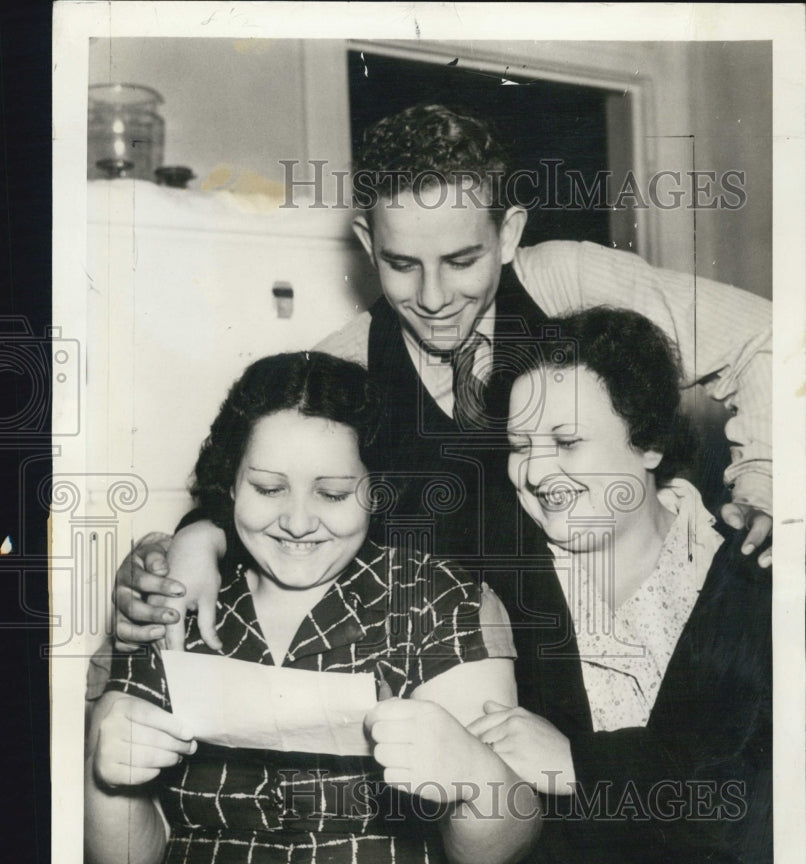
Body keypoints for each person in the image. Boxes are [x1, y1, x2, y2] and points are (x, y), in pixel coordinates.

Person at [106, 102, 772, 660]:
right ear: (368, 243)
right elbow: (249, 485)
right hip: (459, 677)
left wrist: (764, 474)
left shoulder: (566, 281)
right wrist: (193, 541)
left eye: (460, 261)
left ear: (508, 233)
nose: (431, 297)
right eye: (401, 263)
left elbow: (767, 337)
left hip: (627, 651)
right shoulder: (348, 360)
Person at [83, 351, 540, 864]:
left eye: (332, 493)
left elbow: (490, 859)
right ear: (231, 484)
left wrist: (475, 778)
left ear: (375, 490)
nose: (298, 522)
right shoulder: (169, 601)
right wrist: (110, 781)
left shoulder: (442, 600)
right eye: (269, 488)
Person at [464, 307, 772, 864]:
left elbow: (749, 802)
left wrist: (580, 764)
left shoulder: (755, 582)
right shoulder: (494, 578)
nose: (538, 474)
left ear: (649, 442)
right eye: (520, 447)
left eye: (568, 442)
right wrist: (204, 533)